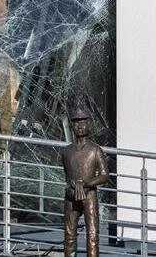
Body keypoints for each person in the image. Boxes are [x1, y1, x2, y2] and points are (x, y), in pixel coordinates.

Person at [62, 104, 110, 257]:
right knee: (69, 235)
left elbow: (105, 175)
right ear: (72, 126)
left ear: (89, 124)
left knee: (93, 235)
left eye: (83, 122)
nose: (80, 126)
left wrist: (86, 183)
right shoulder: (66, 151)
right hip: (71, 196)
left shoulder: (95, 150)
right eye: (76, 123)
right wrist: (72, 185)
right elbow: (67, 174)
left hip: (89, 196)